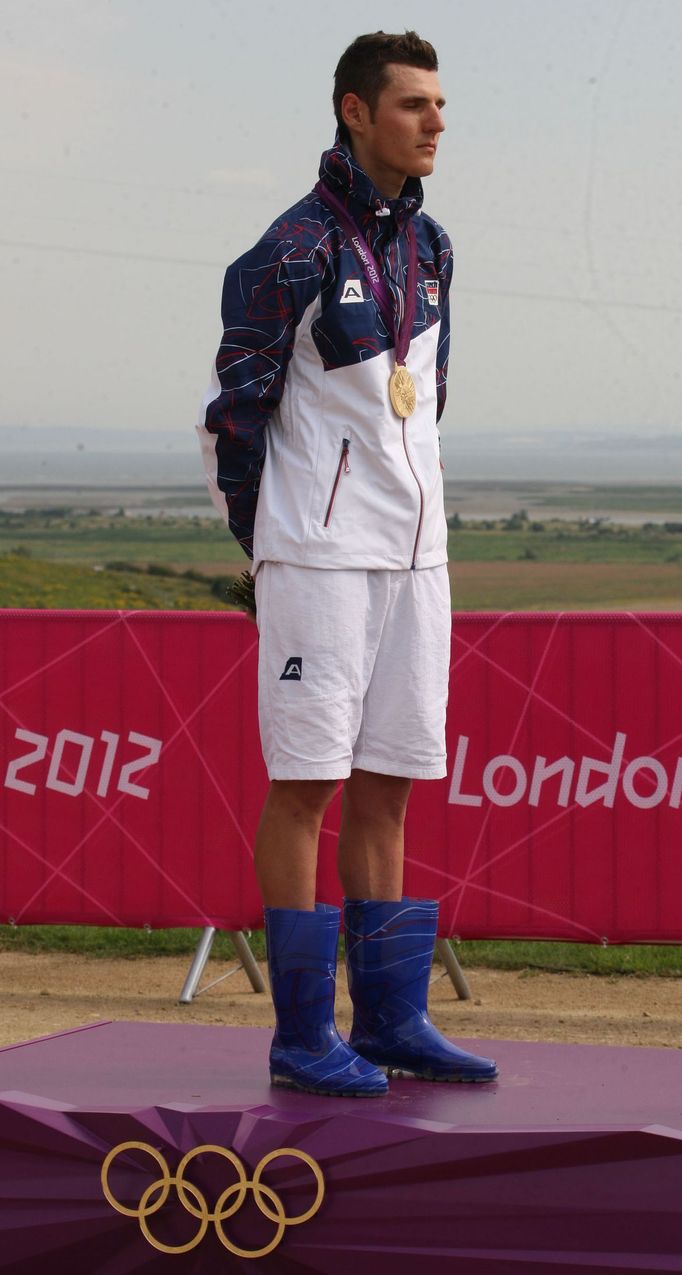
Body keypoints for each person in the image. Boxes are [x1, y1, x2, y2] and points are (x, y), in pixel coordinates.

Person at [197, 30, 497, 1096]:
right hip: (319, 559)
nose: (434, 121)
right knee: (308, 787)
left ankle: (393, 1021)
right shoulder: (290, 250)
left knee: (391, 787)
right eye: (412, 104)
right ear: (355, 111)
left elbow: (426, 404)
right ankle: (300, 1036)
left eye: (439, 104)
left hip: (417, 557)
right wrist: (272, 543)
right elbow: (235, 418)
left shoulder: (435, 248)